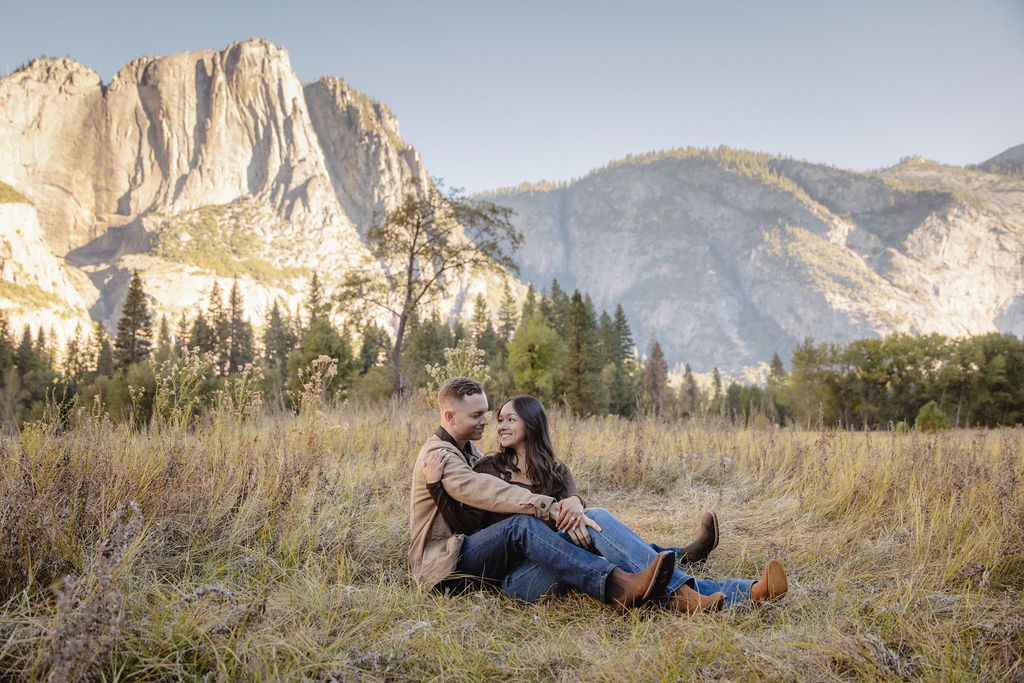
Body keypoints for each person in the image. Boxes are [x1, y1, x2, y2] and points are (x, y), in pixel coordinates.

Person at [423, 392, 789, 613]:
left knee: (597, 520)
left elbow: (573, 505)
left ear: (531, 424)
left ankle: (746, 592)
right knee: (603, 531)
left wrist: (576, 506)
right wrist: (438, 487)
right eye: (497, 419)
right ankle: (682, 564)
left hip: (563, 560)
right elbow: (473, 528)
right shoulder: (487, 468)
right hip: (519, 578)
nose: (498, 426)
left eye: (508, 419)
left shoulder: (556, 471)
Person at [409, 377, 678, 613]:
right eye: (476, 415)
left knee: (593, 519)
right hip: (443, 564)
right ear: (449, 417)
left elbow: (561, 483)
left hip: (471, 554)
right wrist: (546, 506)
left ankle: (675, 572)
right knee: (521, 526)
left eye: (486, 412)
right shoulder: (439, 456)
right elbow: (481, 489)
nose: (487, 421)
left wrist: (573, 502)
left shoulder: (471, 453)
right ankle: (616, 585)